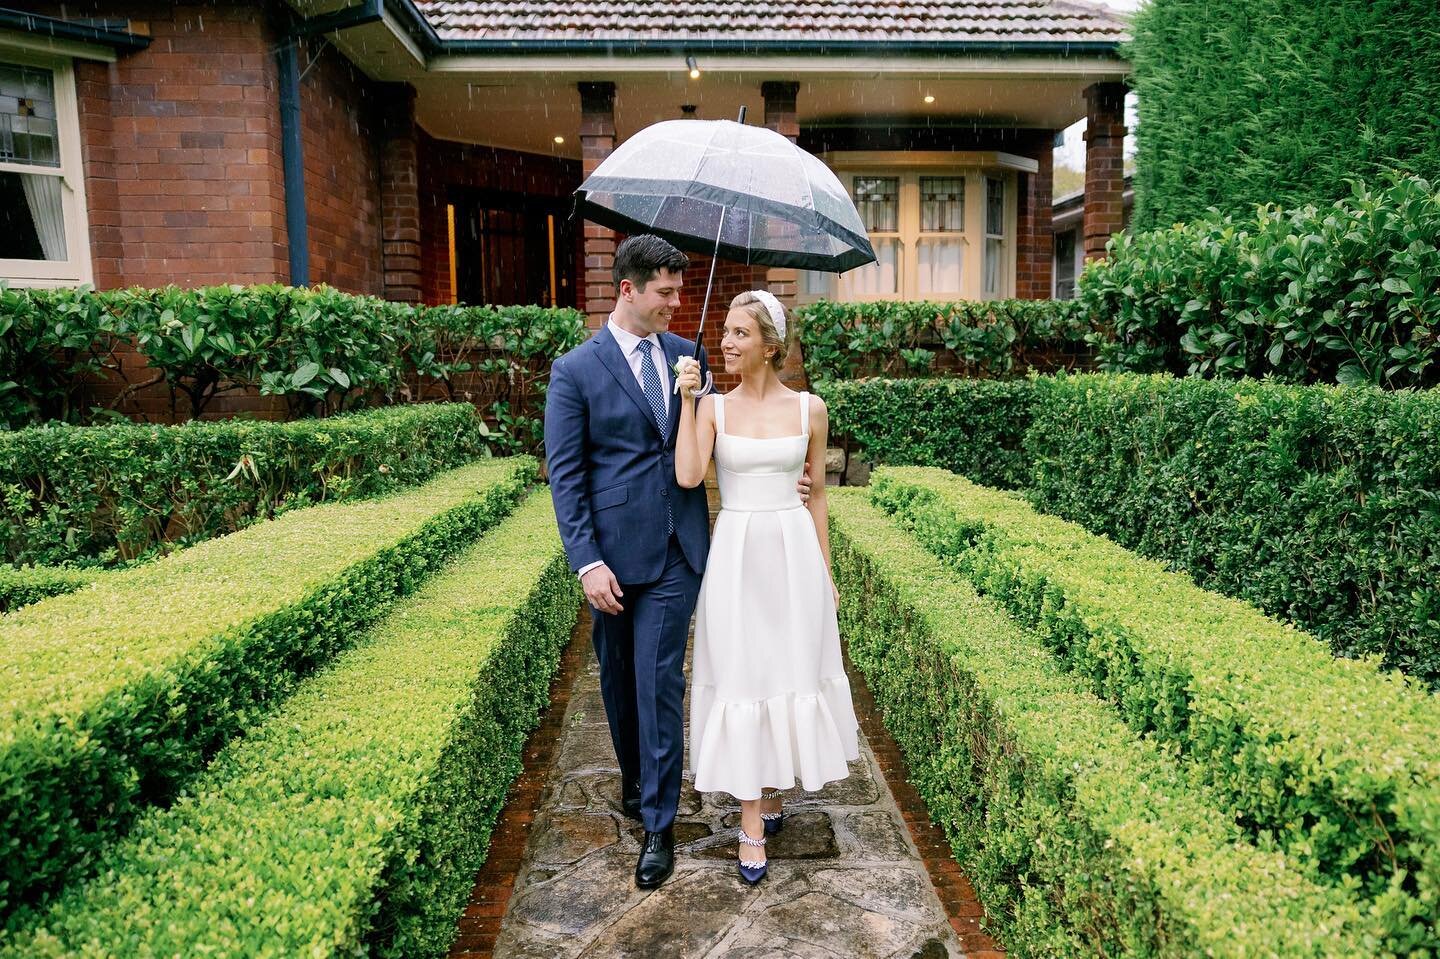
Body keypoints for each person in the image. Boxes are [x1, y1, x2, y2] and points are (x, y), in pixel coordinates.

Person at [544, 236, 812, 889]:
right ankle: (638, 784)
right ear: (628, 290)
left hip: (678, 551)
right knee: (619, 684)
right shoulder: (575, 371)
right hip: (610, 556)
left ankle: (658, 826)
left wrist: (785, 481)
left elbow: (725, 433)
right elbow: (567, 477)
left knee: (659, 680)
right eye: (665, 291)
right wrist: (586, 562)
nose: (676, 302)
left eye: (679, 290)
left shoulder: (688, 357)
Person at [674, 289, 860, 885]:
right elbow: (687, 475)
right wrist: (684, 402)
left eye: (739, 334)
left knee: (784, 671)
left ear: (770, 345)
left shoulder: (811, 409)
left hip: (793, 553)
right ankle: (751, 822)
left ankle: (772, 788)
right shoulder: (713, 409)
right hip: (736, 556)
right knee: (744, 675)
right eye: (724, 332)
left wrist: (827, 572)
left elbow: (820, 496)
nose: (725, 342)